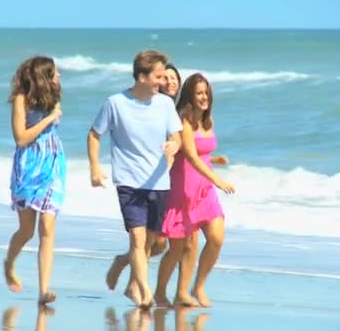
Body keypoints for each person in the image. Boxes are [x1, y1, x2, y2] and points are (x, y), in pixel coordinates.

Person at [88, 50, 182, 308]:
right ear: (142, 76)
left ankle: (125, 270)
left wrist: (174, 145)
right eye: (158, 76)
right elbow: (94, 134)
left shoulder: (165, 104)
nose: (163, 82)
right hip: (129, 181)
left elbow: (177, 135)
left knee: (153, 242)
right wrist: (95, 167)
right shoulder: (115, 103)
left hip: (159, 181)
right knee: (138, 241)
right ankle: (145, 293)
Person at [155, 73, 235, 308]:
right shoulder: (185, 121)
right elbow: (190, 154)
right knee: (179, 248)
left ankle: (197, 286)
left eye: (206, 93)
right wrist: (218, 180)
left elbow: (202, 153)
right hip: (184, 189)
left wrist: (216, 159)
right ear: (190, 95)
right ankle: (162, 292)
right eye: (199, 93)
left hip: (204, 190)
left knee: (216, 238)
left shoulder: (208, 121)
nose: (204, 97)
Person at [3, 55, 66, 305]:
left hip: (53, 166)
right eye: (55, 73)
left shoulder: (54, 97)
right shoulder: (21, 100)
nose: (59, 77)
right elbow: (20, 137)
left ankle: (43, 291)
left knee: (47, 228)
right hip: (29, 167)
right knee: (27, 231)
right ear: (43, 76)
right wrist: (49, 118)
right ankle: (9, 263)